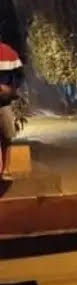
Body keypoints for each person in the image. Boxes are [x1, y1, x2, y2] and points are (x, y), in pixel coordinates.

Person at [0, 40, 24, 181]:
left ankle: (5, 170)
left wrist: (10, 88)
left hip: (4, 104)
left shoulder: (8, 52)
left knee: (7, 136)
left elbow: (19, 75)